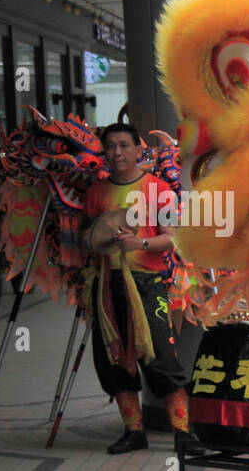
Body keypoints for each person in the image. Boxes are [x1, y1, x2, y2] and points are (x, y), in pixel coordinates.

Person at [83, 124, 200, 454]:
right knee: (112, 358)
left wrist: (141, 241)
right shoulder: (96, 193)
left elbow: (173, 236)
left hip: (147, 286)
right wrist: (101, 239)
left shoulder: (159, 189)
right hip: (107, 285)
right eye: (110, 146)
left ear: (138, 150)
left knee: (162, 356)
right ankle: (134, 431)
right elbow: (86, 239)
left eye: (123, 145)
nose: (117, 152)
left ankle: (182, 432)